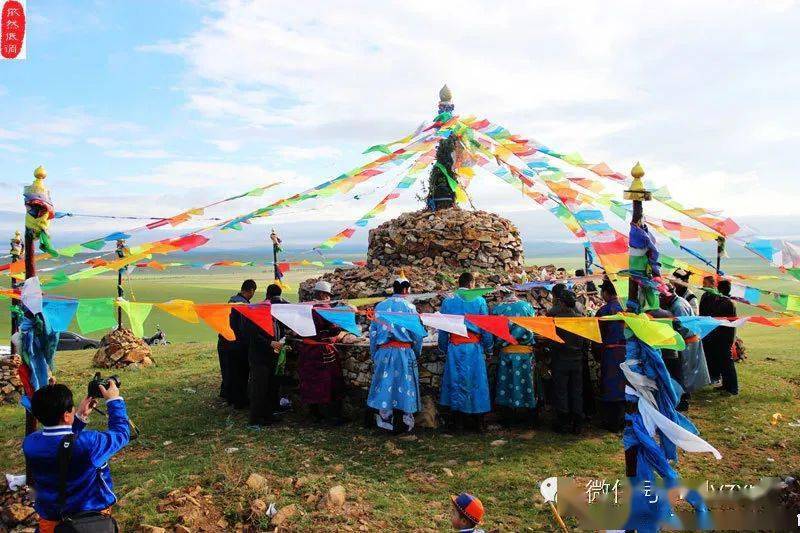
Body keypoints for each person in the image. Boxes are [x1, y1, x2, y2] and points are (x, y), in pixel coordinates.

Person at [23, 381, 129, 532]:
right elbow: (121, 434)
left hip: (51, 521)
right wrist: (114, 400)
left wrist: (79, 417)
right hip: (90, 521)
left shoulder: (30, 443)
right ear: (66, 416)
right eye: (72, 409)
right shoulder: (90, 443)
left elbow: (62, 445)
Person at [367, 274, 425, 434]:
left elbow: (373, 333)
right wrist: (416, 352)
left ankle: (385, 421)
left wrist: (374, 353)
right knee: (405, 386)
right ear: (406, 289)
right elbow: (418, 334)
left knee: (385, 385)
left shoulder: (380, 306)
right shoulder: (410, 308)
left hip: (384, 352)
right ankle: (405, 422)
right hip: (404, 352)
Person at [439, 272, 493, 432]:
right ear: (471, 284)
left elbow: (443, 330)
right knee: (477, 383)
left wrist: (443, 348)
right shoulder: (480, 301)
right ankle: (478, 423)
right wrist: (488, 348)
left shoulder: (448, 302)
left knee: (455, 381)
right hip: (474, 348)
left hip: (455, 348)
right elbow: (486, 328)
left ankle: (458, 423)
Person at [296, 280, 349, 424]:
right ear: (322, 294)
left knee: (310, 381)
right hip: (322, 351)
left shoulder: (305, 307)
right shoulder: (325, 308)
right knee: (331, 381)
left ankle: (314, 413)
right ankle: (333, 416)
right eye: (327, 295)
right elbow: (334, 328)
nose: (329, 298)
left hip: (307, 349)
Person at [491, 288, 538, 427]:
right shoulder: (527, 306)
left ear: (501, 295)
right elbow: (534, 327)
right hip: (525, 354)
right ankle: (529, 418)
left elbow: (493, 332)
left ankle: (508, 419)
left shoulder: (498, 308)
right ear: (514, 293)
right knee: (527, 384)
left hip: (507, 353)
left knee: (506, 384)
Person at [661, 285, 711, 410]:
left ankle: (683, 400)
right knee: (683, 371)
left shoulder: (679, 307)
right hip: (684, 342)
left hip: (686, 342)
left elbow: (682, 328)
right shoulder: (676, 303)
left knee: (683, 371)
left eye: (661, 296)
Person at [546, 289, 587, 434]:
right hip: (577, 359)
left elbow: (551, 340)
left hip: (560, 359)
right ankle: (577, 424)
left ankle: (563, 423)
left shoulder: (556, 319)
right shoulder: (581, 319)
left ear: (561, 303)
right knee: (577, 392)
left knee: (561, 391)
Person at [245, 283, 287, 427]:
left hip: (272, 355)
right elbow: (252, 334)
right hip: (259, 356)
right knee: (259, 389)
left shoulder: (275, 310)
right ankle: (254, 421)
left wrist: (282, 340)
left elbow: (280, 329)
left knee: (270, 387)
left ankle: (268, 416)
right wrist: (270, 343)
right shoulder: (257, 311)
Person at [592, 280, 626, 432]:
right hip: (626, 351)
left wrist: (597, 354)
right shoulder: (626, 310)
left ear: (605, 293)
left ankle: (612, 422)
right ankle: (624, 419)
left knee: (611, 386)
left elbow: (597, 336)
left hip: (611, 353)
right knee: (625, 385)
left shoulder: (604, 311)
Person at [219, 279, 256, 408]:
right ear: (251, 290)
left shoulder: (231, 300)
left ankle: (230, 397)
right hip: (238, 344)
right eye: (253, 292)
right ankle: (240, 401)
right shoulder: (243, 305)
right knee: (241, 373)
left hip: (226, 341)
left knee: (230, 371)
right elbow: (243, 328)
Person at [702, 279, 739, 395]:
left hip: (724, 336)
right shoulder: (725, 300)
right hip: (720, 336)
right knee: (722, 362)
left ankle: (732, 388)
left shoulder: (727, 302)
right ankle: (725, 385)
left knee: (727, 363)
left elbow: (716, 314)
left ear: (720, 289)